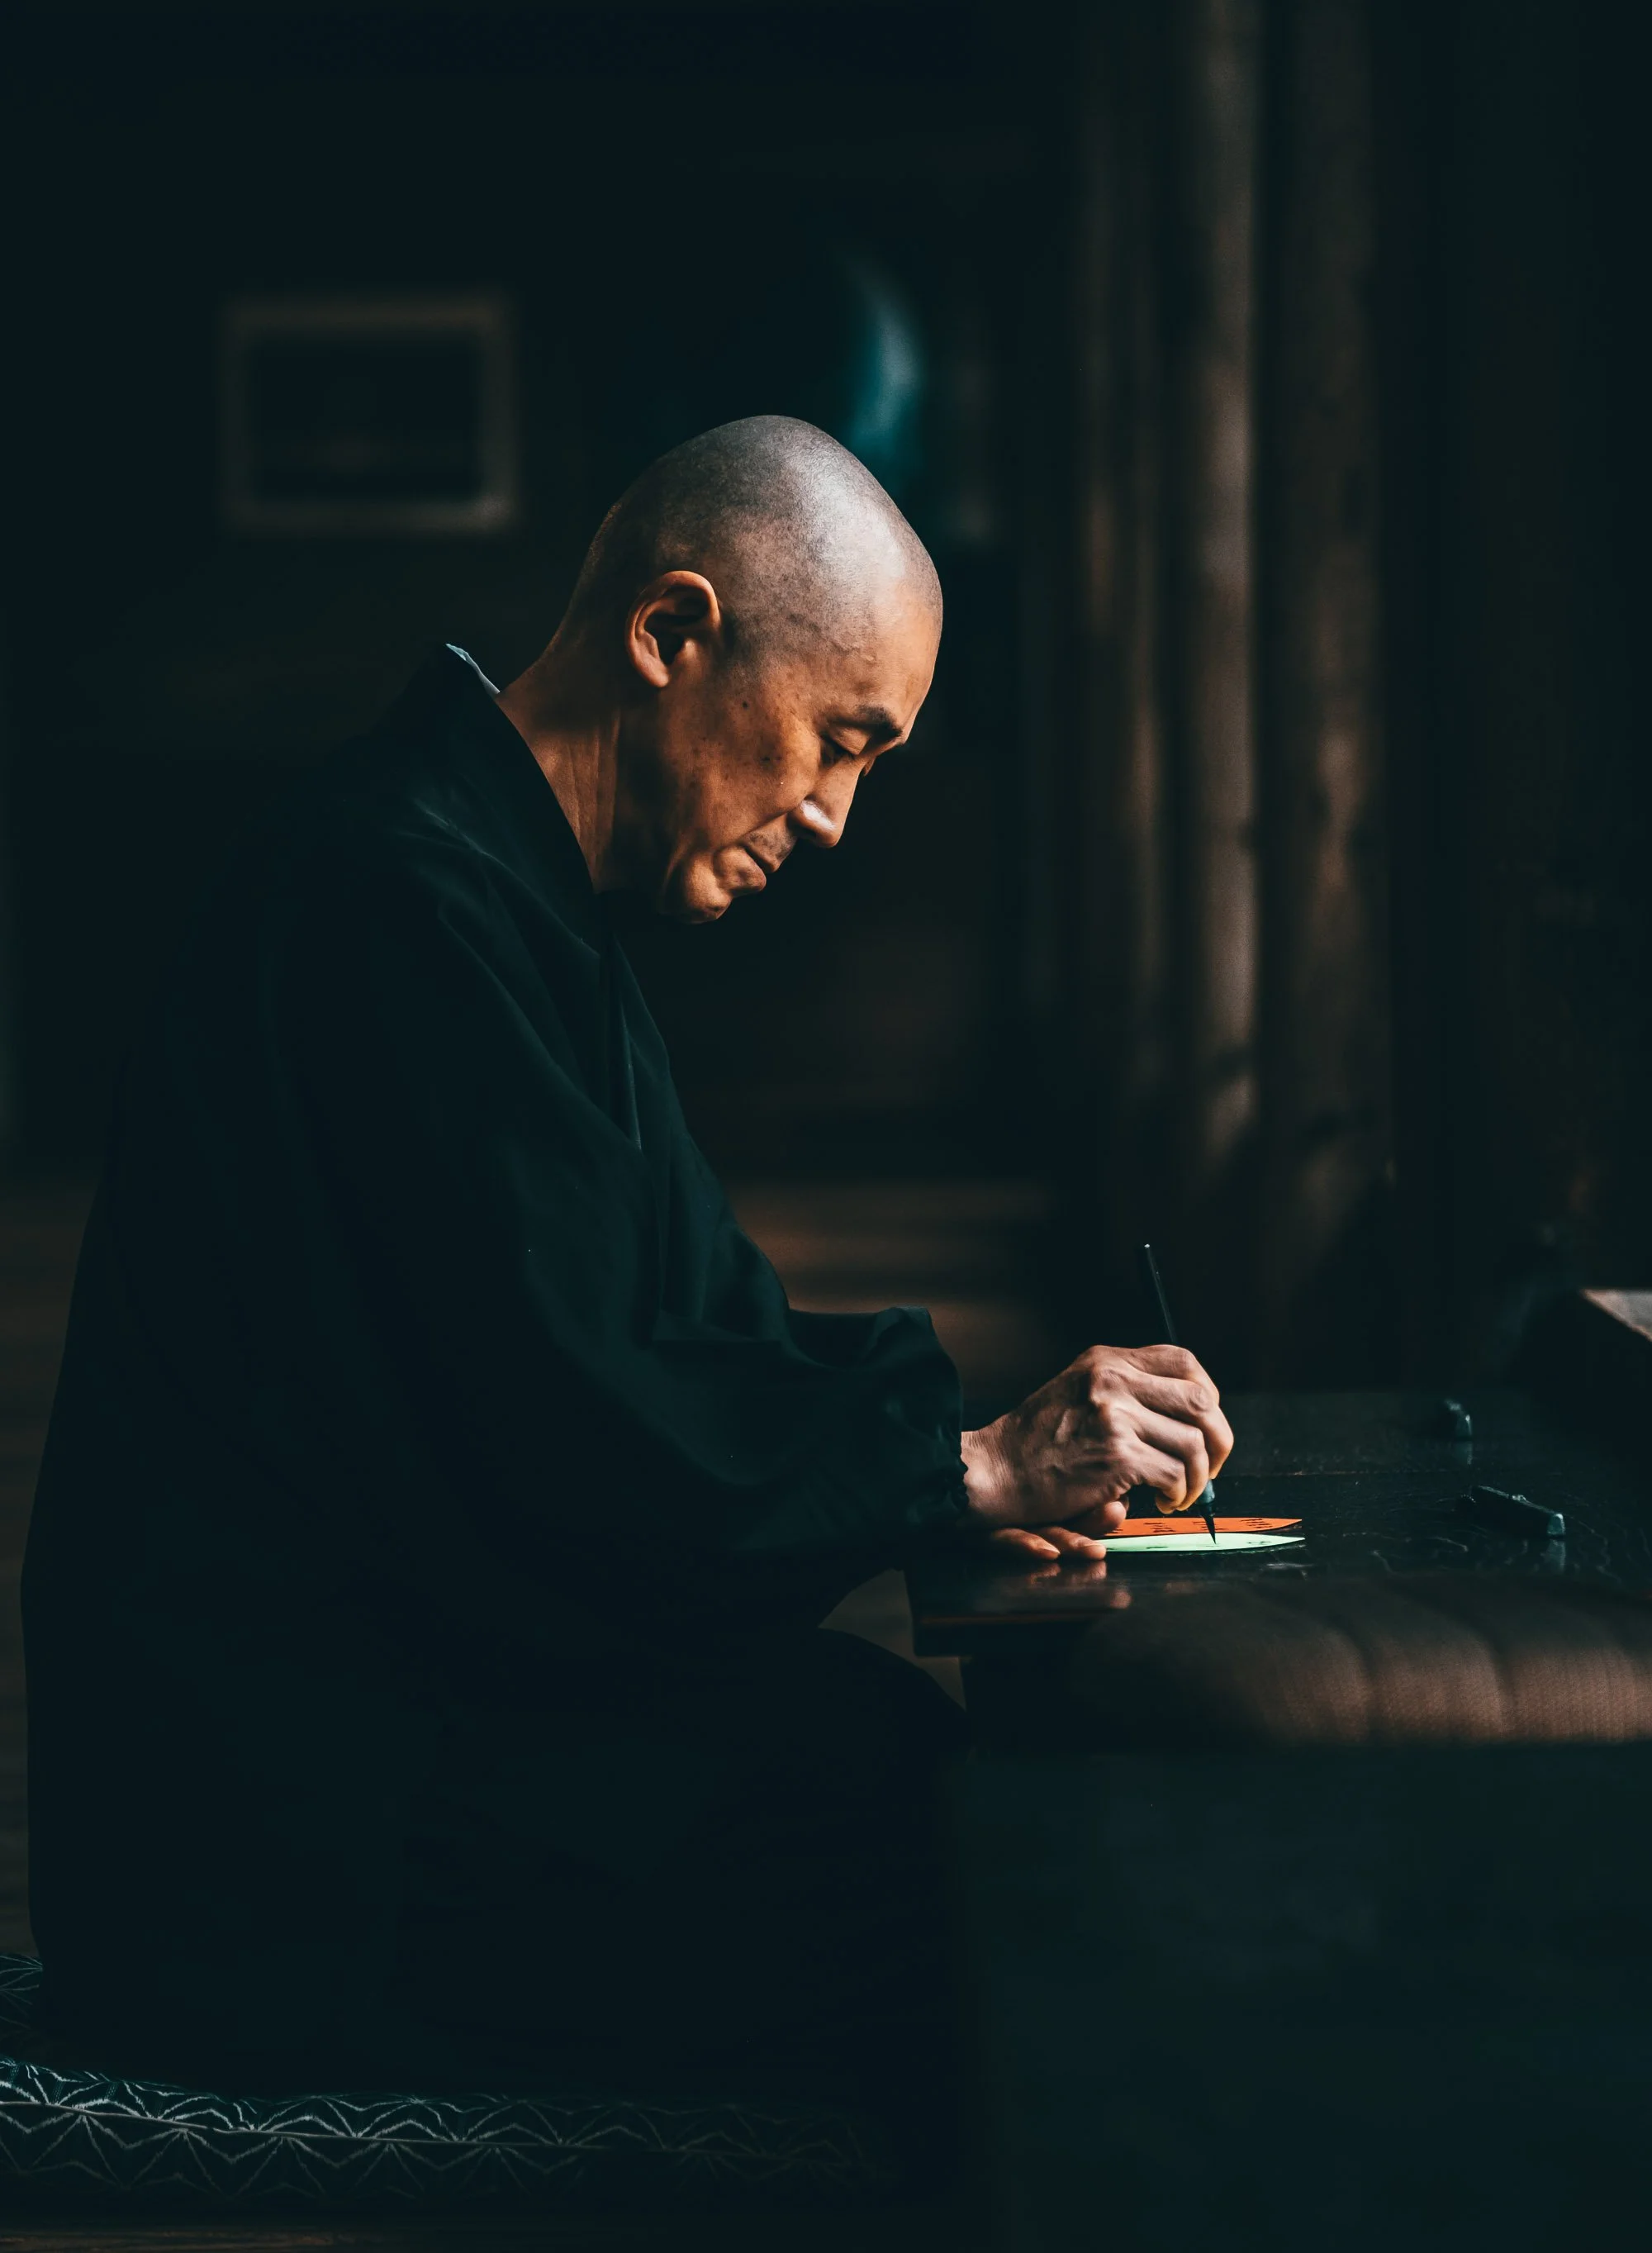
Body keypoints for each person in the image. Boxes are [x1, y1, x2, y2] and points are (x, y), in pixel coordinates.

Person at [22, 417, 1230, 2147]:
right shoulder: (395, 901)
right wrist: (946, 1465)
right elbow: (573, 1429)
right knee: (974, 1870)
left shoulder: (508, 888)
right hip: (273, 1842)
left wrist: (939, 1473)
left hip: (397, 1723)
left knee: (904, 1772)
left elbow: (686, 1337)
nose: (831, 818)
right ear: (674, 634)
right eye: (838, 741)